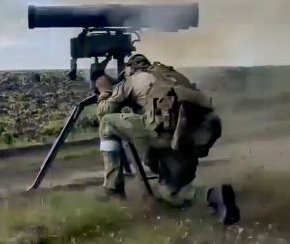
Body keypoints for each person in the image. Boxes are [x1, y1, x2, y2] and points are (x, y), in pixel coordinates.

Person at [95, 53, 240, 225]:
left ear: (130, 69)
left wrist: (104, 90)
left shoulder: (133, 79)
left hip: (162, 136)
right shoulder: (172, 76)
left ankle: (113, 190)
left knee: (106, 123)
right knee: (170, 192)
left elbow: (104, 111)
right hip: (188, 142)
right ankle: (215, 195)